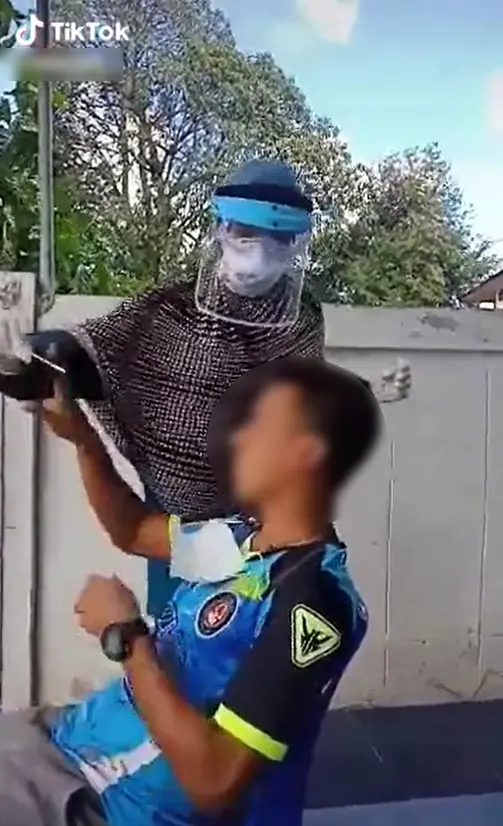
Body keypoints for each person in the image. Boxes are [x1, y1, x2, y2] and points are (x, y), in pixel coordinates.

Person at [0, 158, 409, 616]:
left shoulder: (302, 320)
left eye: (276, 240)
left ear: (294, 244)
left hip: (260, 527)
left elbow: (306, 394)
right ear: (221, 230)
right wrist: (35, 360)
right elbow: (92, 353)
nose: (258, 253)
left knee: (252, 624)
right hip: (182, 523)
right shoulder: (168, 309)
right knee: (183, 624)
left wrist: (362, 390)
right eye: (246, 234)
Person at [0, 356, 381, 826]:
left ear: (306, 454)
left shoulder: (313, 600)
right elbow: (133, 529)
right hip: (70, 740)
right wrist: (81, 436)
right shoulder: (238, 540)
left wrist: (126, 635)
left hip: (106, 800)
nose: (236, 438)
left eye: (257, 425)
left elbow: (215, 782)